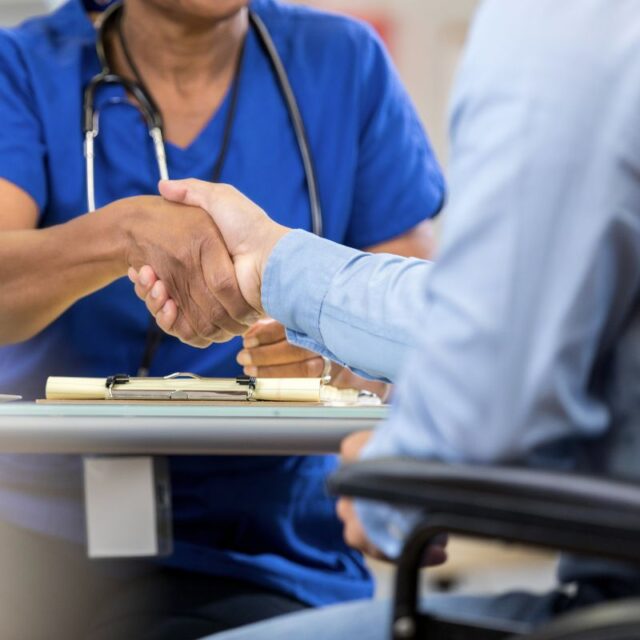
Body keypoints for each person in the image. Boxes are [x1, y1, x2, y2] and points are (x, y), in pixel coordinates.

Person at [130, 0, 640, 637]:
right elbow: (479, 311)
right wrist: (275, 265)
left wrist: (394, 480)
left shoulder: (561, 29)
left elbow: (491, 395)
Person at [0, 0, 445, 637]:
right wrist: (124, 231)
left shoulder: (341, 64)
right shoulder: (22, 68)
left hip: (267, 545)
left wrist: (337, 362)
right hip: (40, 533)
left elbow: (420, 329)